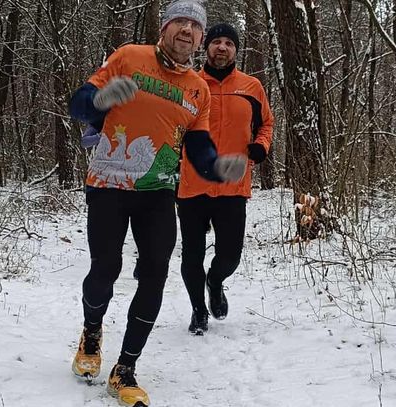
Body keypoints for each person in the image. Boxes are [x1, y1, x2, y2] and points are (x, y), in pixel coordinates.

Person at [68, 2, 247, 406]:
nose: (187, 30)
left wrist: (217, 167)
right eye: (179, 22)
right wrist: (102, 99)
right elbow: (77, 104)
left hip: (159, 192)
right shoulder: (129, 57)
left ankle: (126, 369)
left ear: (200, 40)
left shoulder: (198, 89)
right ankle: (92, 332)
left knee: (154, 276)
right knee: (105, 270)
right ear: (164, 28)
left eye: (195, 26)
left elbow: (197, 146)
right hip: (109, 183)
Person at [176, 23, 274, 336]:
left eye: (229, 43)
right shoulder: (188, 84)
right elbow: (169, 125)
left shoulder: (252, 87)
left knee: (230, 256)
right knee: (192, 255)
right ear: (206, 47)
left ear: (236, 50)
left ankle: (215, 281)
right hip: (192, 184)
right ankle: (198, 310)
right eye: (216, 41)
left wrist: (261, 146)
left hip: (233, 185)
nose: (222, 47)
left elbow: (266, 124)